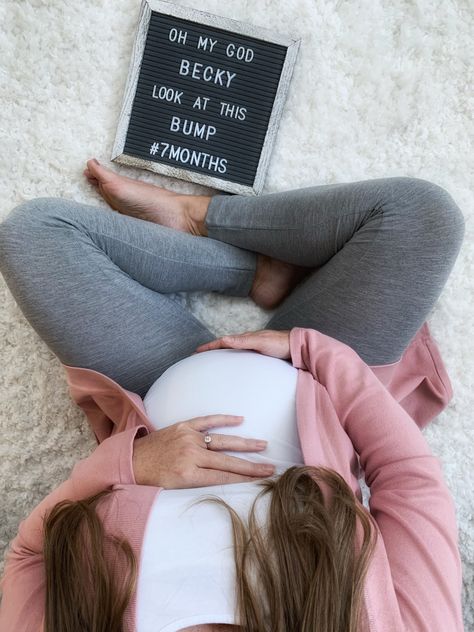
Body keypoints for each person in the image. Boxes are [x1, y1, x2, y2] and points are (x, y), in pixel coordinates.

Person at [0, 159, 466, 632]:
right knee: (421, 217)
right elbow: (408, 477)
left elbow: (30, 554)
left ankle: (245, 263)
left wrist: (129, 465)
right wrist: (318, 352)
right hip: (315, 378)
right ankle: (215, 231)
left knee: (36, 235)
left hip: (151, 386)